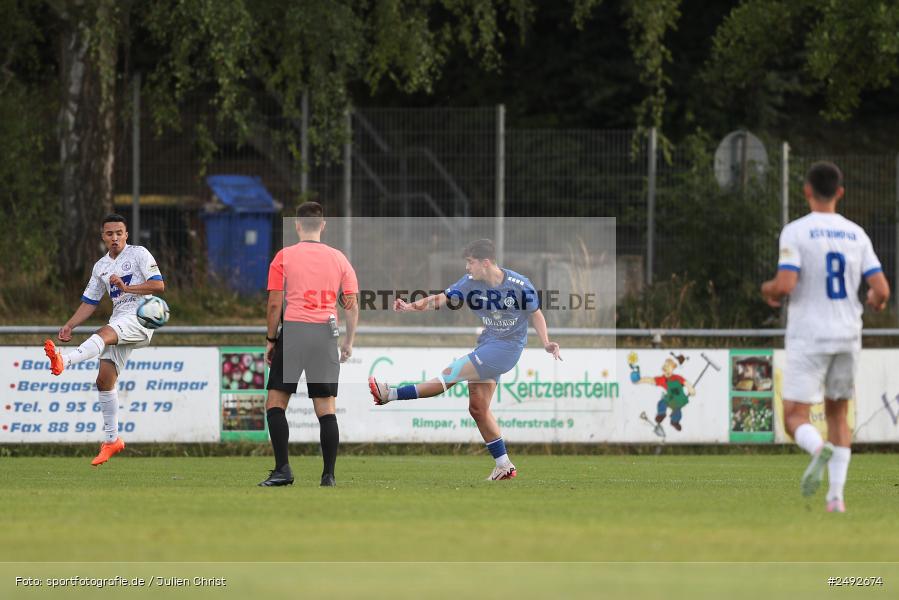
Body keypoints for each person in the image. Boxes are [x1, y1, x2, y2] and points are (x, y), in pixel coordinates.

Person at [368, 238, 561, 481]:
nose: (467, 267)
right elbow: (441, 299)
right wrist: (409, 307)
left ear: (485, 262)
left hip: (506, 350)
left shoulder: (519, 284)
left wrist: (546, 342)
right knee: (478, 408)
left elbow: (536, 314)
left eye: (470, 262)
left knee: (450, 375)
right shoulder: (470, 283)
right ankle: (504, 466)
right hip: (488, 345)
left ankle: (390, 394)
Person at [761, 161, 890, 513]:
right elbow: (881, 289)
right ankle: (836, 498)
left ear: (806, 190)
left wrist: (767, 289)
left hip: (810, 335)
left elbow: (786, 284)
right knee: (838, 413)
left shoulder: (796, 231)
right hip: (848, 334)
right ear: (840, 193)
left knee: (794, 417)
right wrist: (874, 301)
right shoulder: (857, 234)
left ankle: (817, 449)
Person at [43, 214, 165, 466]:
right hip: (120, 319)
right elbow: (90, 302)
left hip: (142, 317)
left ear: (126, 234)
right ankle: (112, 441)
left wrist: (127, 287)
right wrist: (69, 325)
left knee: (103, 334)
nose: (115, 238)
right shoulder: (100, 267)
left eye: (119, 232)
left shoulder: (139, 254)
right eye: (109, 234)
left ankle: (64, 361)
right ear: (103, 237)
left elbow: (158, 285)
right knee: (104, 380)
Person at [259, 201, 359, 487]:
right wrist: (348, 341)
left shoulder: (284, 257)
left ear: (297, 225)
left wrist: (271, 339)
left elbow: (275, 302)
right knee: (326, 409)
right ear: (323, 225)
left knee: (276, 403)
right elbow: (351, 306)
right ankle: (328, 475)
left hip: (295, 333)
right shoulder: (339, 259)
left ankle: (283, 470)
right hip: (326, 334)